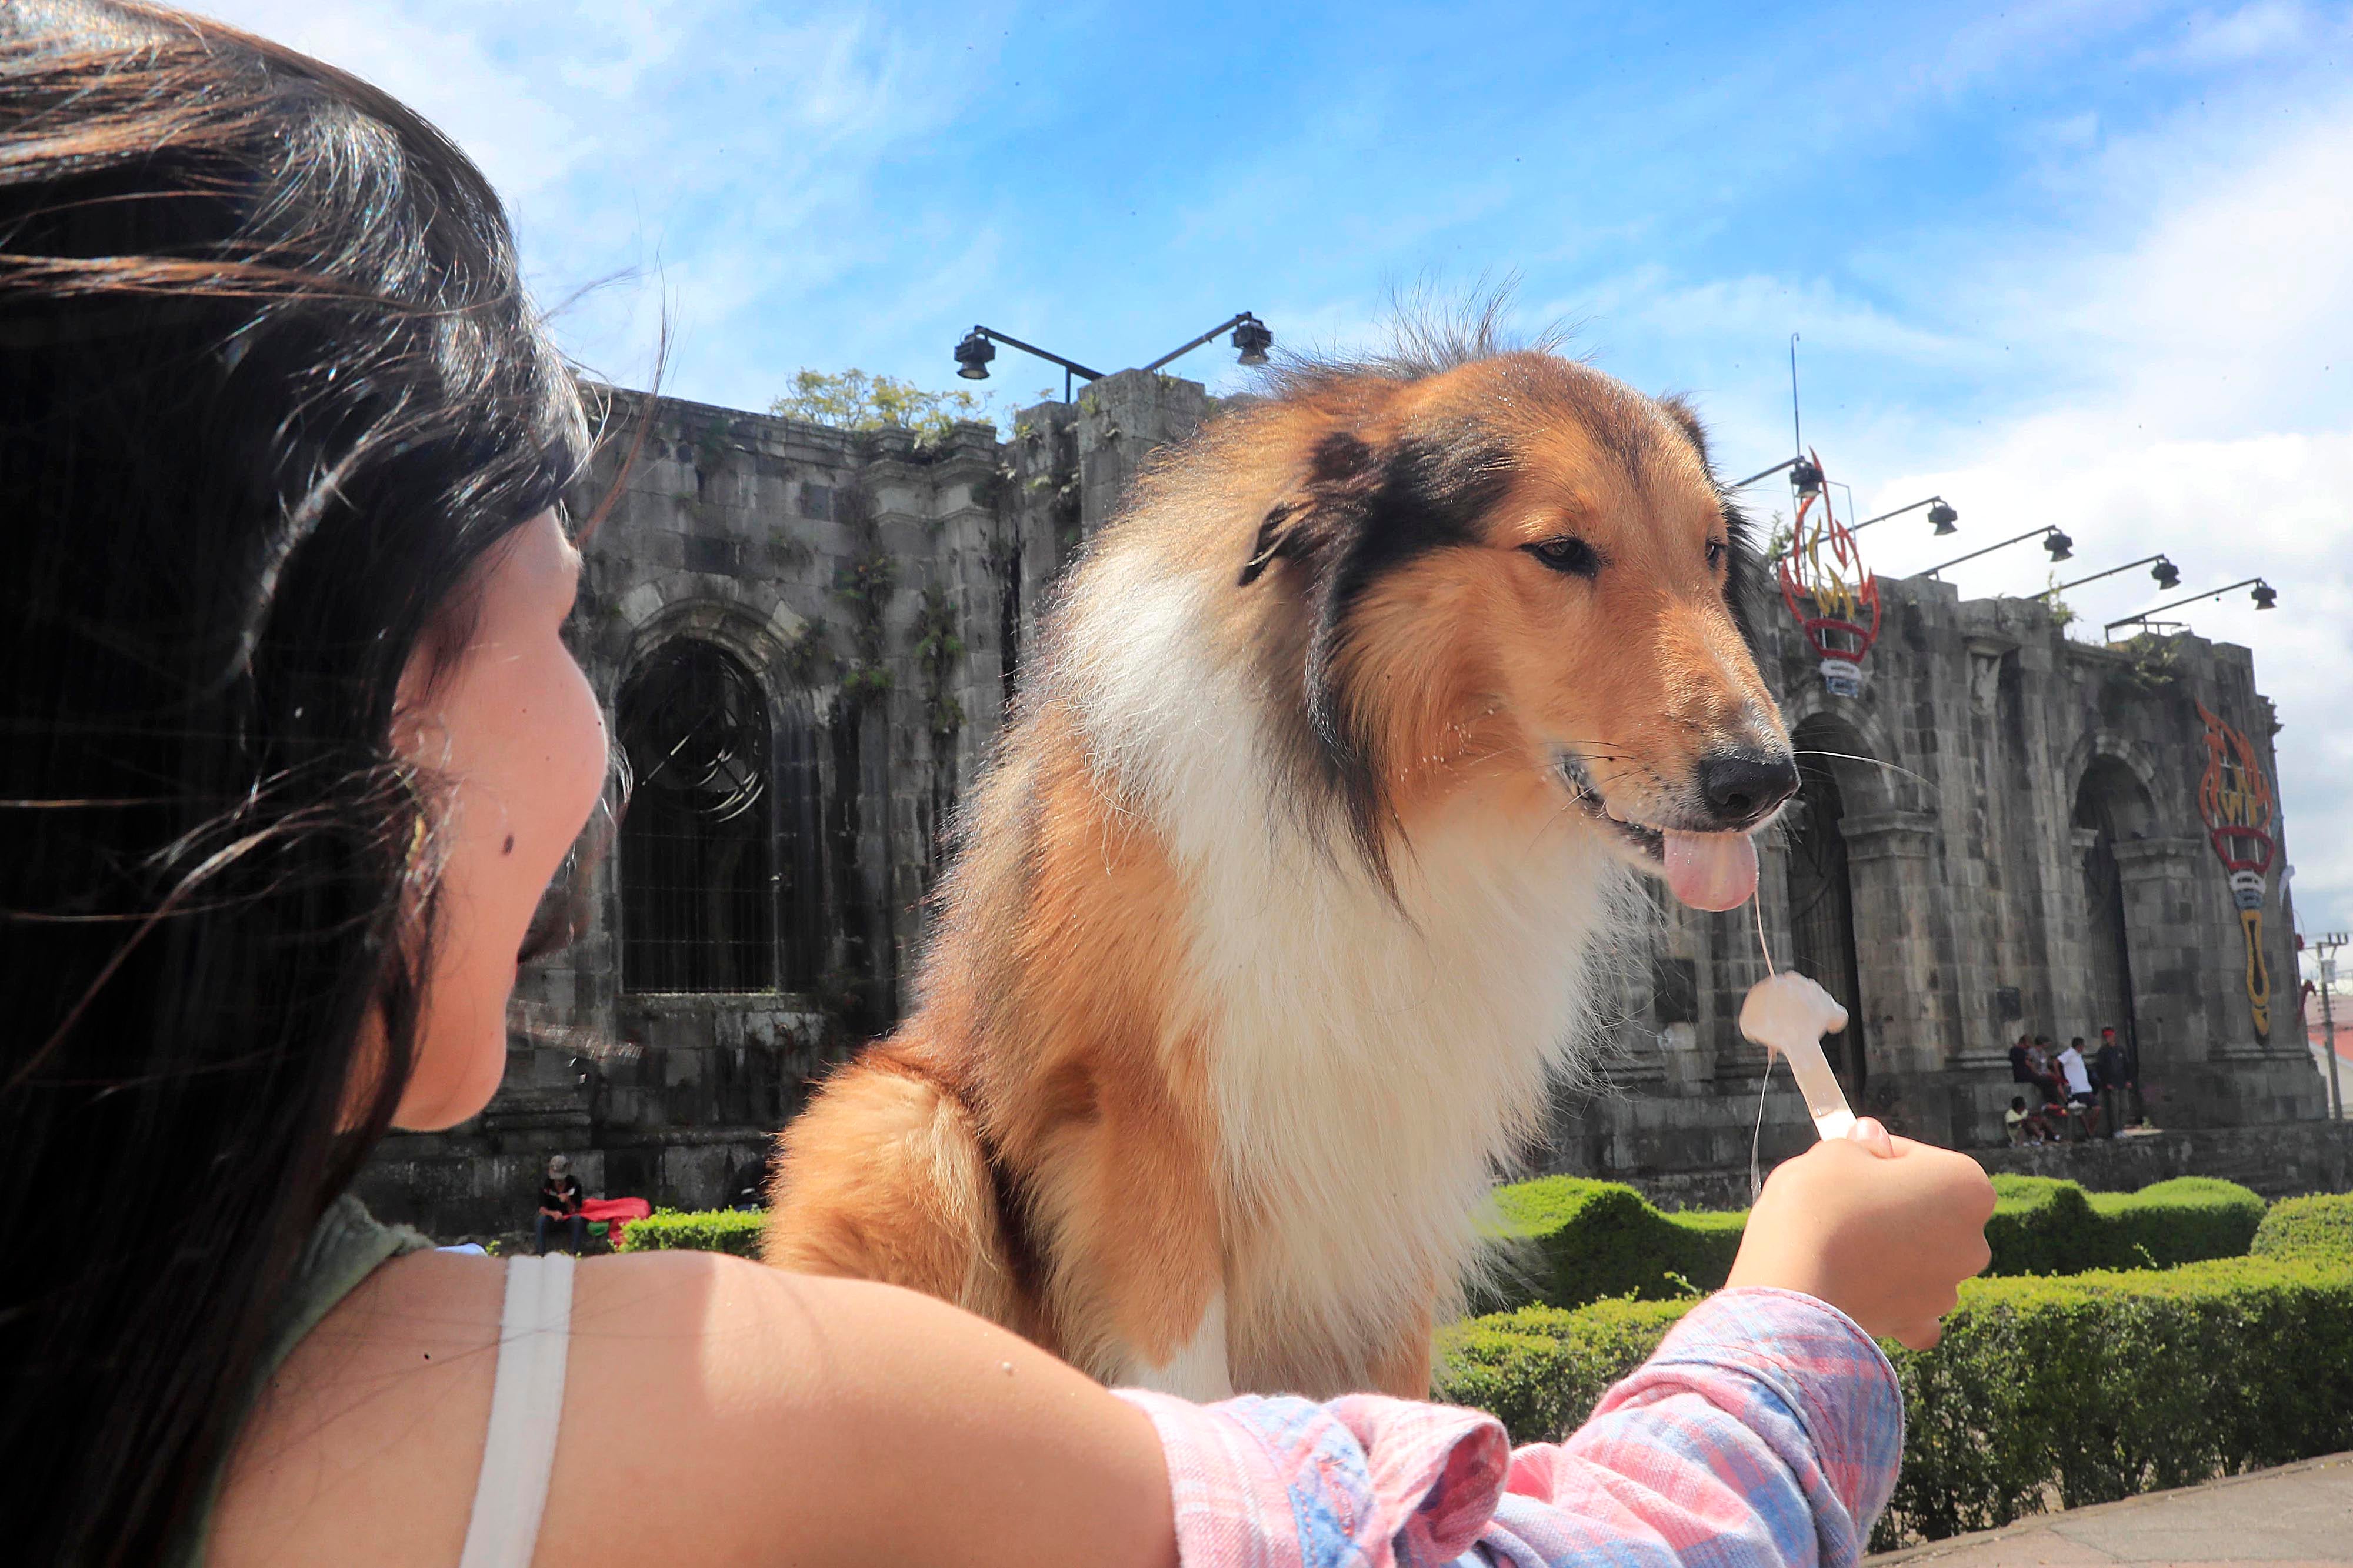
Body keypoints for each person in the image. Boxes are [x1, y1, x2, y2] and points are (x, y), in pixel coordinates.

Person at [0, 8, 1998, 1566]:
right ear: (306, 718)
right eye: (551, 615)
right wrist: (1799, 1307)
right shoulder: (645, 1417)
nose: (609, 742)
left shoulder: (183, 1373)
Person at [538, 1154, 588, 1255]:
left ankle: (574, 1253)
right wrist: (553, 1214)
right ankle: (541, 1254)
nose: (558, 1181)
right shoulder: (546, 1184)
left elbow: (577, 1210)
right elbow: (542, 1209)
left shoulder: (575, 1184)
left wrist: (568, 1201)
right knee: (540, 1221)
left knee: (578, 1220)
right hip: (552, 1218)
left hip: (568, 1218)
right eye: (556, 1179)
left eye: (561, 1179)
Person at [2093, 1025, 2138, 1131]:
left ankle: (2121, 1128)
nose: (2109, 1038)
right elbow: (2100, 1068)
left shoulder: (2120, 1049)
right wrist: (2106, 1082)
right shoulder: (2103, 1051)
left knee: (2125, 1107)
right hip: (2112, 1083)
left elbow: (2127, 1065)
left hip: (2123, 1082)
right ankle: (2116, 1130)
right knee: (2115, 1109)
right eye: (2107, 1037)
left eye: (2110, 1036)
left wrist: (2129, 1080)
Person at [2055, 1037, 2103, 1137]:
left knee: (2096, 1109)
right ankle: (2090, 1133)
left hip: (2085, 1087)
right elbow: (2057, 1062)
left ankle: (2090, 1131)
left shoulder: (2078, 1055)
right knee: (2083, 1111)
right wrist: (2060, 1078)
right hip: (2077, 1088)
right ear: (2079, 1046)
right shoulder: (2070, 1053)